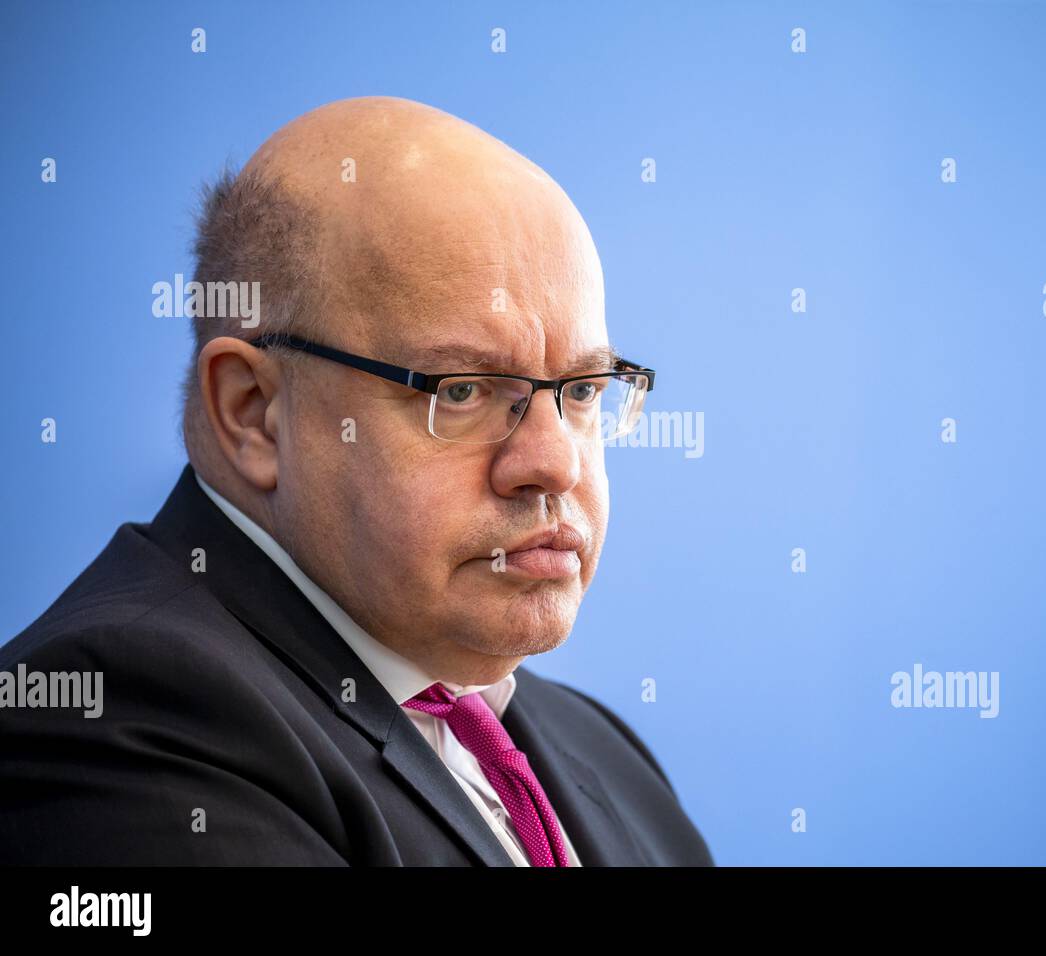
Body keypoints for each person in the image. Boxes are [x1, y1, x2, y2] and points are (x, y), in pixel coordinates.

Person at [0, 96, 713, 866]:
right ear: (254, 413)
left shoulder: (604, 754)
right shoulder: (116, 715)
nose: (555, 463)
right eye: (462, 391)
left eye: (579, 391)